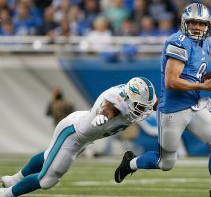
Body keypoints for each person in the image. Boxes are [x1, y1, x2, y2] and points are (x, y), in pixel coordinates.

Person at [114, 3, 211, 197]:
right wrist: (203, 87)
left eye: (201, 24)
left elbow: (195, 77)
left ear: (208, 26)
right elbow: (172, 81)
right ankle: (130, 163)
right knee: (166, 163)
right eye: (193, 22)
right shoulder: (178, 42)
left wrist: (208, 104)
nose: (197, 27)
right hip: (173, 110)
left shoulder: (206, 44)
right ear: (184, 23)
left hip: (194, 106)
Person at [0, 77, 157, 196]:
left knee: (49, 155)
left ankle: (13, 180)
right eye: (140, 107)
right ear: (128, 98)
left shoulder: (137, 97)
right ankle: (5, 194)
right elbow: (108, 109)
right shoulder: (116, 101)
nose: (143, 111)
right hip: (72, 133)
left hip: (83, 134)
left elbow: (157, 103)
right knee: (47, 180)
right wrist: (104, 116)